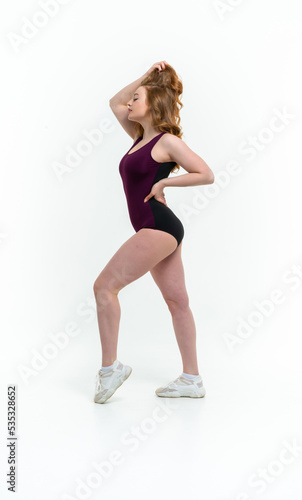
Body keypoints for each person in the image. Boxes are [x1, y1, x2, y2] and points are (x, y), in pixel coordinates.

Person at [93, 61, 214, 403]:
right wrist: (147, 77)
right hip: (159, 227)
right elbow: (114, 103)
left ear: (154, 102)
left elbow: (206, 173)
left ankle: (109, 369)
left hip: (157, 225)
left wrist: (165, 181)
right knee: (178, 301)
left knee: (104, 287)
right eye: (132, 98)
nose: (129, 103)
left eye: (137, 98)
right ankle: (192, 379)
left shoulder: (167, 141)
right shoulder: (137, 138)